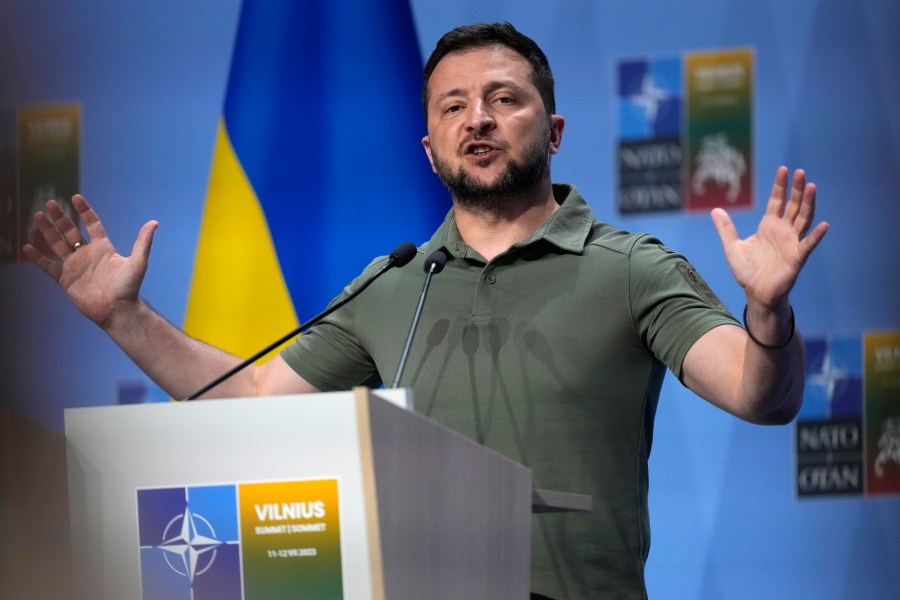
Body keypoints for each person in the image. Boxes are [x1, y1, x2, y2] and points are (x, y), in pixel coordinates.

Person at [25, 22, 828, 600]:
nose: (475, 118)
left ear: (551, 131)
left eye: (501, 99)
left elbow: (763, 394)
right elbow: (252, 400)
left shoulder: (631, 269)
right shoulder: (394, 284)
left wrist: (769, 310)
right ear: (429, 149)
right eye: (451, 107)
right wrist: (123, 319)